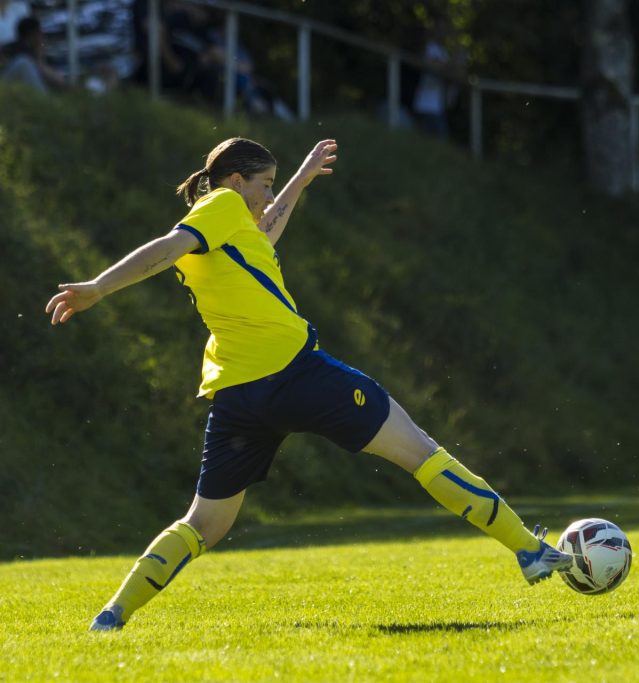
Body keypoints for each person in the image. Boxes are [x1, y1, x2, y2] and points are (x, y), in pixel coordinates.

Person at [45, 137, 572, 632]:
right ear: (234, 181)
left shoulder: (231, 230)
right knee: (421, 452)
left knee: (203, 524)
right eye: (264, 184)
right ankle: (529, 549)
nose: (267, 197)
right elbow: (166, 247)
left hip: (239, 396)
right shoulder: (220, 206)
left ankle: (112, 615)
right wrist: (98, 287)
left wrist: (299, 180)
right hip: (296, 374)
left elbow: (263, 232)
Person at [1, 15, 65, 92]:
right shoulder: (16, 49)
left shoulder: (33, 51)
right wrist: (39, 59)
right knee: (23, 62)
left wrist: (40, 58)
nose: (42, 37)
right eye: (40, 33)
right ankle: (43, 99)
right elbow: (58, 81)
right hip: (5, 85)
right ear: (34, 34)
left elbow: (59, 81)